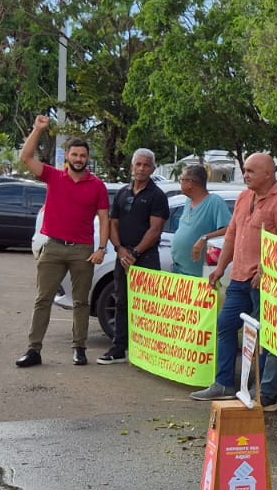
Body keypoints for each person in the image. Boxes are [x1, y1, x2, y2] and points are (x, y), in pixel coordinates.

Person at [190, 153, 277, 408]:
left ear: (268, 174)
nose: (245, 175)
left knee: (262, 337)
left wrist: (267, 270)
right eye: (245, 170)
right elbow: (232, 235)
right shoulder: (243, 197)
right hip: (239, 277)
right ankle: (224, 384)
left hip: (264, 282)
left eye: (250, 171)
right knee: (225, 325)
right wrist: (220, 268)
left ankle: (260, 390)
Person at [16, 115, 109, 369]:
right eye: (74, 154)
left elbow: (104, 218)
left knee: (81, 302)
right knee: (42, 299)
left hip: (83, 251)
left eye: (83, 155)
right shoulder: (53, 177)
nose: (79, 159)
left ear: (87, 158)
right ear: (67, 156)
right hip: (54, 247)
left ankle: (79, 348)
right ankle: (33, 350)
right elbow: (26, 157)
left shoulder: (97, 186)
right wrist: (37, 129)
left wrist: (102, 248)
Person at [99, 148, 169, 364]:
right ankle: (119, 348)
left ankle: (148, 352)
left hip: (146, 257)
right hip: (122, 256)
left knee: (148, 306)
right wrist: (120, 249)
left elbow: (155, 229)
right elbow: (113, 224)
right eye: (138, 164)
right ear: (132, 166)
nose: (141, 169)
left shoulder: (157, 196)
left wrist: (136, 252)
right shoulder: (122, 193)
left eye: (146, 165)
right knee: (122, 302)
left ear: (153, 169)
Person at [170, 164, 232, 278]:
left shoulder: (214, 202)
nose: (180, 183)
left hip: (197, 275)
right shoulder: (188, 201)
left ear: (190, 183)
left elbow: (229, 229)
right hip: (178, 269)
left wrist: (204, 238)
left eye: (182, 180)